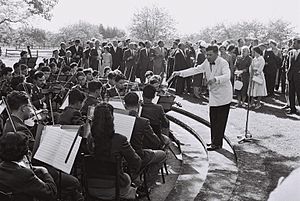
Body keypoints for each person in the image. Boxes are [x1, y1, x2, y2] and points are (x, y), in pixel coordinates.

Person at [172, 45, 232, 151]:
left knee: (221, 120)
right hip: (214, 95)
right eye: (207, 54)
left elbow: (227, 76)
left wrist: (216, 79)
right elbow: (197, 69)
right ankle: (214, 141)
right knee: (213, 119)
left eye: (210, 55)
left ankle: (217, 143)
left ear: (216, 54)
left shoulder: (223, 63)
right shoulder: (206, 62)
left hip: (223, 95)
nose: (208, 57)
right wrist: (180, 73)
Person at [88, 103, 141, 200]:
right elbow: (136, 162)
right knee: (128, 179)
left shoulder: (89, 139)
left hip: (90, 187)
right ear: (111, 119)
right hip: (114, 187)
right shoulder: (120, 139)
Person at [124, 92, 167, 186]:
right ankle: (145, 186)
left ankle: (137, 177)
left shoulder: (116, 118)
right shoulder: (143, 122)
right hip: (137, 156)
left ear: (124, 105)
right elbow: (156, 142)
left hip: (122, 156)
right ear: (138, 104)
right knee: (162, 155)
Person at [0, 132, 57, 201]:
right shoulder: (25, 174)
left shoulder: (2, 166)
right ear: (24, 152)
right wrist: (45, 172)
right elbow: (51, 193)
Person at [286, 37, 300, 115]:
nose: (292, 45)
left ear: (299, 44)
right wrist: (287, 72)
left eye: (294, 43)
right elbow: (288, 64)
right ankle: (292, 109)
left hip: (298, 77)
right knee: (291, 93)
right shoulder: (291, 52)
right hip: (291, 76)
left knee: (299, 94)